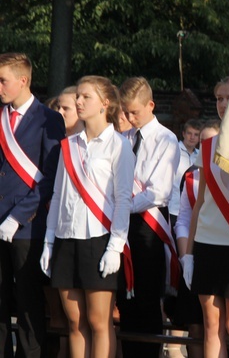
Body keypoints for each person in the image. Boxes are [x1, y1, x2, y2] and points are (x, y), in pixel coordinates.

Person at [42, 76, 135, 358]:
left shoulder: (119, 145)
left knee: (98, 321)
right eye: (78, 97)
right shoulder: (68, 146)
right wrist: (48, 241)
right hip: (66, 237)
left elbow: (123, 200)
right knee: (74, 321)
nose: (79, 102)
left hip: (100, 238)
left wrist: (115, 246)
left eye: (86, 97)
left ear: (105, 104)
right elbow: (58, 195)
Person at [0, 52, 65, 358]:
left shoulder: (49, 119)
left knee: (27, 302)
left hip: (27, 224)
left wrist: (18, 216)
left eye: (3, 80)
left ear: (23, 80)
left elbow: (50, 176)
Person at [184, 76, 229, 358]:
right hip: (206, 241)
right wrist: (189, 253)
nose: (223, 103)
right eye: (219, 98)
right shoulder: (209, 145)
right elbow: (201, 202)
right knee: (212, 325)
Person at [117, 77, 180, 358]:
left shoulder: (165, 138)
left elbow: (159, 192)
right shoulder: (125, 138)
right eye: (126, 112)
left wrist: (122, 206)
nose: (130, 118)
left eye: (135, 112)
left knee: (146, 298)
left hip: (148, 225)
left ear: (150, 105)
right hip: (123, 223)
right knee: (125, 297)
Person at [173, 121, 220, 358]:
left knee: (222, 326)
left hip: (221, 254)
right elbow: (183, 219)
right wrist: (185, 257)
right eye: (203, 142)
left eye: (212, 142)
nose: (206, 147)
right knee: (195, 326)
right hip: (194, 256)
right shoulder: (191, 176)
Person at [169, 119, 202, 228]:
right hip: (173, 207)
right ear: (183, 134)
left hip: (192, 209)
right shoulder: (173, 150)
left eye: (196, 134)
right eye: (189, 133)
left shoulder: (200, 156)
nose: (192, 137)